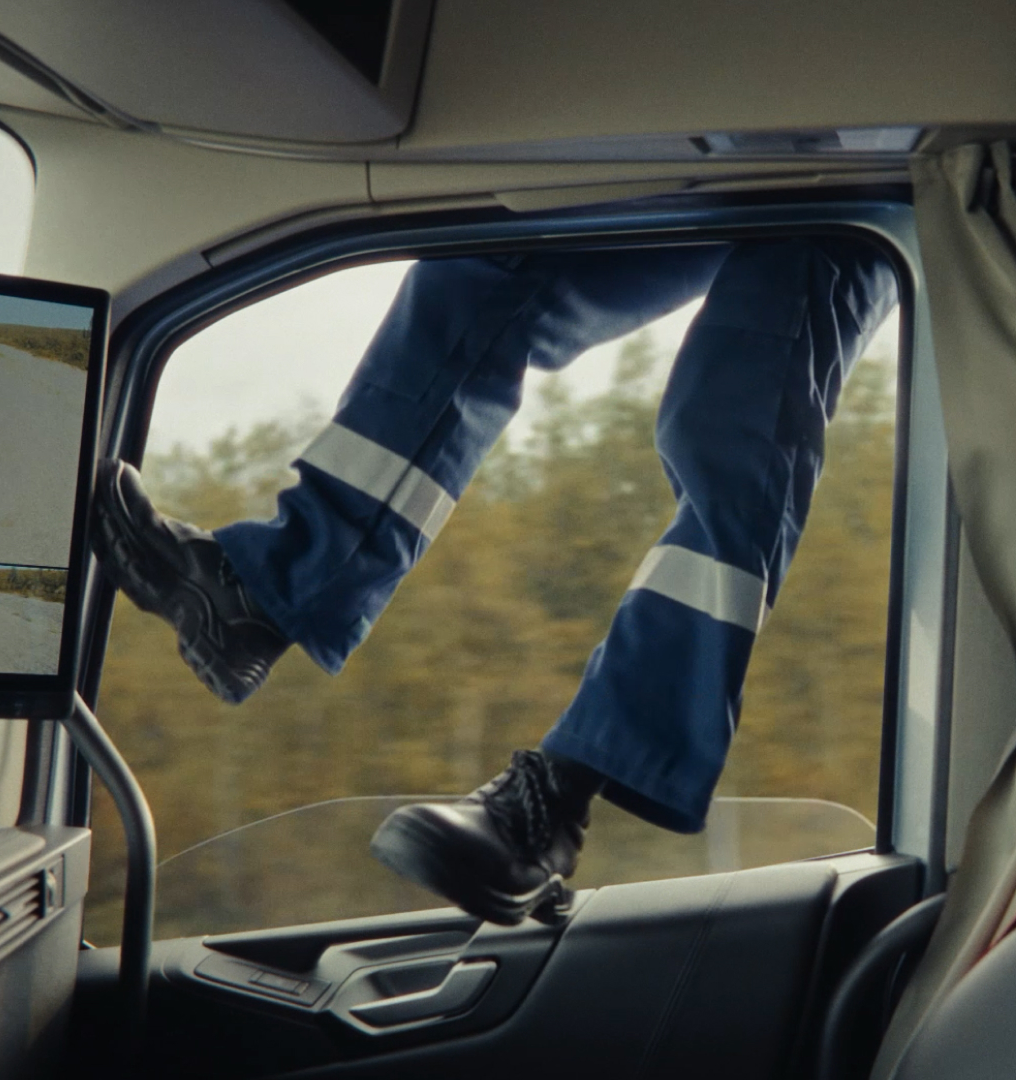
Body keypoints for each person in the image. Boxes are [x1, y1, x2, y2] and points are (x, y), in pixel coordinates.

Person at [91, 238, 898, 924]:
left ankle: (553, 808)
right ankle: (266, 595)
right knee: (487, 271)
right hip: (712, 133)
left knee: (736, 420)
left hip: (843, 154)